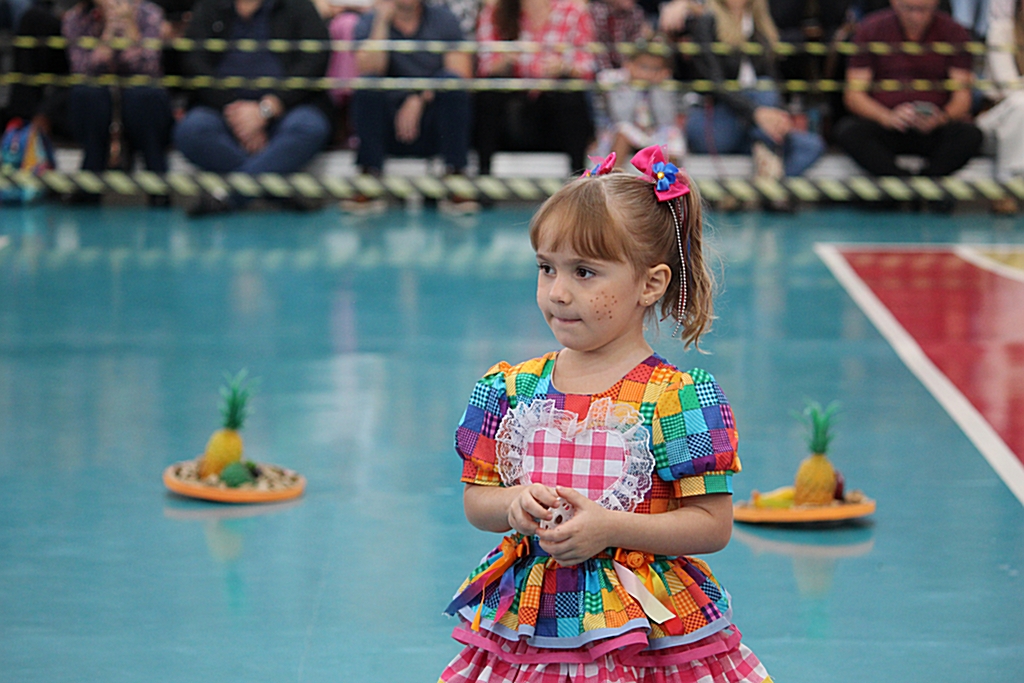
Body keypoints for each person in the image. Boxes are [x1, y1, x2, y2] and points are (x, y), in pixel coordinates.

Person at [438, 146, 773, 683]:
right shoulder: (509, 389)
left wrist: (609, 528)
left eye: (585, 272)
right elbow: (477, 502)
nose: (558, 292)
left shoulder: (676, 397)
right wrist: (515, 505)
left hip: (647, 633)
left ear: (650, 284)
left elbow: (713, 526)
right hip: (532, 625)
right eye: (547, 268)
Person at [173, 0, 334, 215]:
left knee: (309, 127)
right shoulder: (210, 7)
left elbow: (314, 60)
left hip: (286, 109)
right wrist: (235, 112)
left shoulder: (297, 6)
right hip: (223, 111)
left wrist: (267, 108)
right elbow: (193, 62)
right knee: (191, 131)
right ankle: (273, 188)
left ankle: (229, 196)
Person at [833, 0, 983, 180]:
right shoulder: (870, 29)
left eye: (923, 10)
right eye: (909, 9)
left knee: (970, 135)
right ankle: (900, 182)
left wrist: (941, 117)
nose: (916, 16)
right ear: (895, 3)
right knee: (848, 131)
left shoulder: (955, 32)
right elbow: (854, 96)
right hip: (886, 124)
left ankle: (927, 183)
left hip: (935, 127)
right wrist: (887, 117)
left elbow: (962, 98)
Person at [685, 0, 825, 182]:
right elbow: (715, 84)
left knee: (812, 146)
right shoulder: (707, 22)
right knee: (762, 90)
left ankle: (764, 183)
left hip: (756, 129)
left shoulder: (761, 27)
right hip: (716, 122)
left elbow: (775, 82)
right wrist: (756, 113)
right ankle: (767, 175)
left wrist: (779, 117)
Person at [349, 0, 473, 191]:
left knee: (452, 84)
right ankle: (368, 177)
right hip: (389, 121)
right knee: (368, 85)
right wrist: (381, 23)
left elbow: (461, 72)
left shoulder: (444, 19)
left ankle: (456, 175)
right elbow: (369, 68)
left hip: (432, 121)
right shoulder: (369, 22)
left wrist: (418, 99)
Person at [62, 0, 173, 203]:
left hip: (140, 99)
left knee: (143, 94)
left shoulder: (149, 14)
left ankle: (157, 177)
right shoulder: (76, 18)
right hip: (98, 99)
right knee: (88, 94)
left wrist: (130, 27)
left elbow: (149, 68)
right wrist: (108, 32)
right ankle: (91, 176)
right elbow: (82, 70)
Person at [474, 0, 596, 176]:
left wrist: (563, 66)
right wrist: (507, 58)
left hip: (555, 109)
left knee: (570, 90)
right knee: (491, 89)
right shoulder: (495, 11)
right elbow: (484, 67)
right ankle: (484, 175)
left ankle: (578, 178)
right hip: (512, 108)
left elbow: (588, 67)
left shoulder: (573, 11)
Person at [596, 39, 685, 165]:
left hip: (654, 131)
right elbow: (621, 116)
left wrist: (657, 88)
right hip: (625, 129)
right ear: (629, 65)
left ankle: (669, 181)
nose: (648, 73)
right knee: (623, 131)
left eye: (655, 69)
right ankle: (613, 176)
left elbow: (666, 119)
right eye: (644, 67)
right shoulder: (616, 81)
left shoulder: (665, 84)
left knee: (672, 133)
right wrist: (633, 85)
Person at [976, 0, 1023, 212]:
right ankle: (1008, 186)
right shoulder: (1000, 31)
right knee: (1021, 102)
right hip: (996, 119)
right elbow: (1009, 87)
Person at [590, 0, 651, 72]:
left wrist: (627, 70)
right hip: (599, 67)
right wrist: (607, 72)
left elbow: (635, 47)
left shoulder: (636, 13)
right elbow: (599, 47)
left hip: (626, 68)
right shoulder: (598, 12)